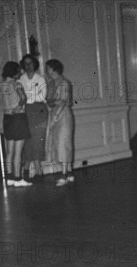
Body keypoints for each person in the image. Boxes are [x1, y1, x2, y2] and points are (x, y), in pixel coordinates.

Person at [0, 61, 32, 187]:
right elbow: (23, 99)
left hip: (7, 118)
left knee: (9, 152)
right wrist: (19, 106)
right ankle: (18, 178)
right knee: (18, 152)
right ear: (15, 71)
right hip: (18, 118)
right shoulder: (16, 84)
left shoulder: (1, 85)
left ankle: (10, 177)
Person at [45, 59, 74, 187]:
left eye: (48, 68)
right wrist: (53, 106)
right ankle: (69, 172)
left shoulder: (64, 83)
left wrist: (56, 116)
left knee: (64, 143)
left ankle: (64, 175)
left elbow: (62, 102)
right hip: (54, 113)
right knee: (58, 143)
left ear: (53, 68)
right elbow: (49, 101)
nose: (46, 70)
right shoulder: (51, 83)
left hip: (63, 115)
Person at [19, 54, 48, 182]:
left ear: (35, 64)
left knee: (38, 139)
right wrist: (30, 96)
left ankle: (38, 168)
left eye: (30, 63)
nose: (28, 66)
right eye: (26, 63)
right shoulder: (21, 79)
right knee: (27, 139)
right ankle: (26, 167)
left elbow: (42, 96)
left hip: (40, 112)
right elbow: (20, 96)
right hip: (26, 112)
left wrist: (28, 97)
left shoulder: (40, 78)